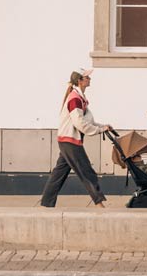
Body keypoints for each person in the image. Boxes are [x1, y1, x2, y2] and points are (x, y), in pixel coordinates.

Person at [39, 68, 110, 209]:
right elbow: (80, 123)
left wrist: (104, 126)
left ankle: (46, 203)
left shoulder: (80, 97)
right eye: (87, 77)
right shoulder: (75, 98)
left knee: (59, 174)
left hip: (66, 140)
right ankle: (99, 203)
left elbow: (87, 120)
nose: (90, 79)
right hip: (70, 141)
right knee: (86, 171)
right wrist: (99, 130)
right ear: (80, 81)